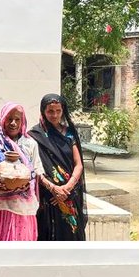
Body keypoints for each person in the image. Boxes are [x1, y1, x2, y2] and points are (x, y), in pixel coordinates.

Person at [29, 94, 87, 242]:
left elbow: (78, 164)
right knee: (48, 231)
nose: (54, 115)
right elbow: (34, 167)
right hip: (48, 196)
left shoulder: (69, 133)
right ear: (43, 111)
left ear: (63, 111)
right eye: (50, 111)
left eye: (58, 111)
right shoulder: (35, 135)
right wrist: (54, 189)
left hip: (70, 194)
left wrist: (67, 188)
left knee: (72, 233)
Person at [0, 103, 41, 242]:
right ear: (2, 120)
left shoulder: (30, 144)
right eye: (9, 119)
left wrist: (23, 182)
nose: (13, 123)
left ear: (22, 121)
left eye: (17, 119)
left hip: (22, 206)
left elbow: (36, 171)